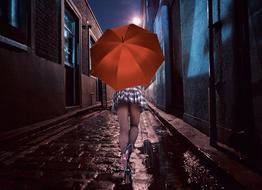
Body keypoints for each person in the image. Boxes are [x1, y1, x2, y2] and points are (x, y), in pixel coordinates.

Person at [111, 85, 147, 184]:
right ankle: (129, 148)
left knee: (123, 130)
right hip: (135, 91)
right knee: (135, 125)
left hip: (120, 91)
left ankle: (125, 165)